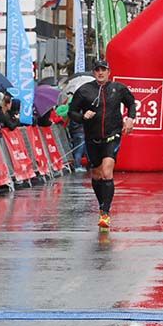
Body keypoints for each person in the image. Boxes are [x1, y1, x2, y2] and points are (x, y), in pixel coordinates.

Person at [67, 59, 135, 230]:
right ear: (94, 72)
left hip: (112, 136)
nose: (100, 73)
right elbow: (71, 112)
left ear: (109, 72)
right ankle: (101, 205)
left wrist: (130, 118)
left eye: (103, 70)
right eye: (97, 70)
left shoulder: (117, 89)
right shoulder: (84, 91)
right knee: (97, 175)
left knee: (107, 170)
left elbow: (131, 102)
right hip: (92, 138)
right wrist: (83, 117)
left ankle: (105, 212)